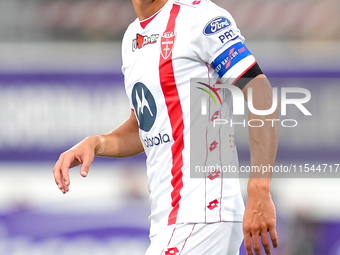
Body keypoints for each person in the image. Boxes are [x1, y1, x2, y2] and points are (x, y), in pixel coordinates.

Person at [53, 0, 279, 254]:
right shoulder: (132, 38)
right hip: (167, 220)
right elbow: (145, 127)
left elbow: (260, 92)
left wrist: (259, 187)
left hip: (202, 211)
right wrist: (97, 143)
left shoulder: (200, 18)